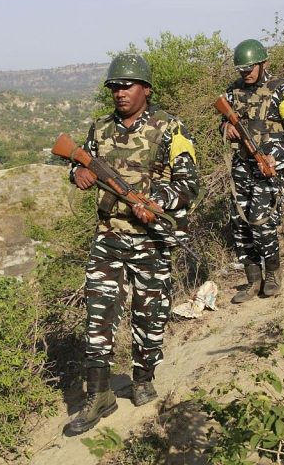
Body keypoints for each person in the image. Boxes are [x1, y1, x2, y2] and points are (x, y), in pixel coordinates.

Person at [64, 53, 200, 436]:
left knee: (149, 314)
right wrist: (78, 172)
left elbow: (190, 185)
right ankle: (98, 395)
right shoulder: (100, 129)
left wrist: (155, 201)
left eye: (127, 85)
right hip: (109, 236)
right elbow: (77, 163)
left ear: (146, 89)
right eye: (114, 86)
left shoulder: (171, 129)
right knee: (98, 315)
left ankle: (142, 378)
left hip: (152, 239)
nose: (120, 92)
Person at [219, 39, 284, 304]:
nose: (247, 73)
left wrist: (276, 157)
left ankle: (273, 275)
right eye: (242, 69)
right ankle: (253, 280)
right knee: (240, 222)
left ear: (263, 63)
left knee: (262, 222)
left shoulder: (282, 90)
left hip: (268, 167)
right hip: (242, 166)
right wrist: (226, 128)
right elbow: (222, 121)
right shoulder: (233, 92)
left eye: (251, 68)